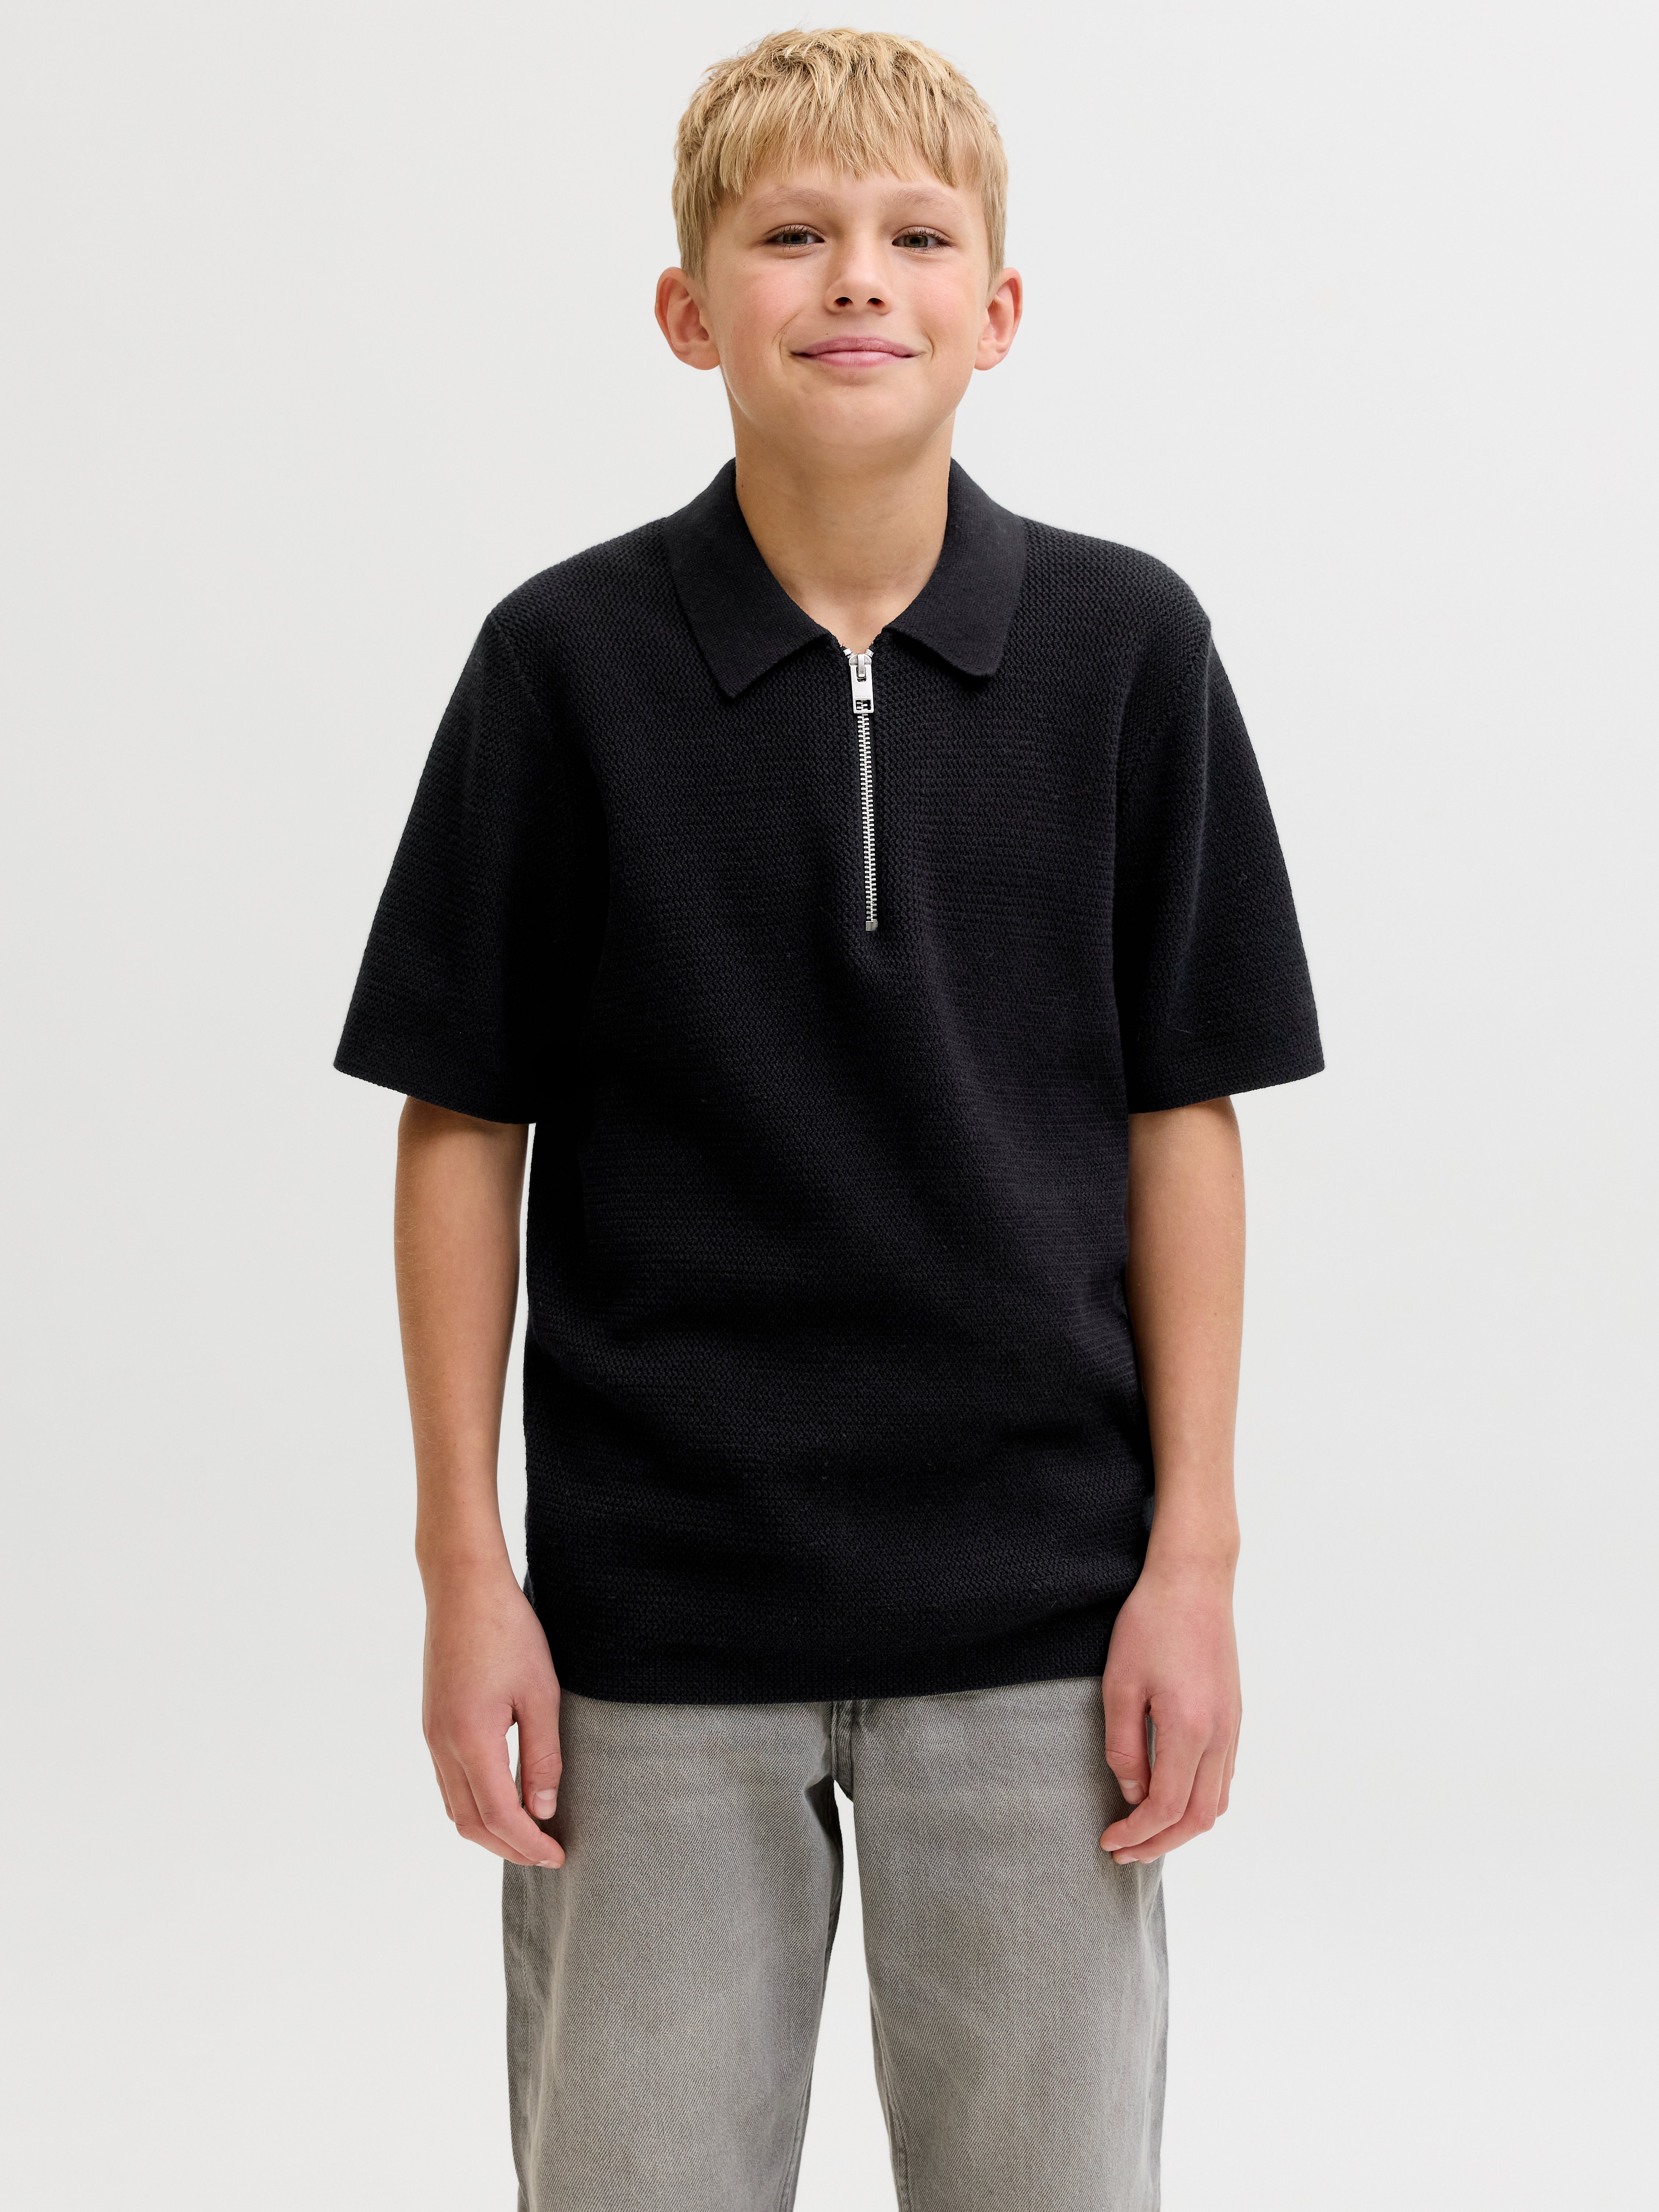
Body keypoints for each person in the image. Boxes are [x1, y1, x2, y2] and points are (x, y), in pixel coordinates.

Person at [335, 28, 1322, 2212]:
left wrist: (1195, 1560)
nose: (858, 277)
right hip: (654, 1635)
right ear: (689, 309)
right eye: (791, 234)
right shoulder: (561, 667)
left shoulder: (1131, 653)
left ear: (1001, 307)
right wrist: (463, 1570)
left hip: (1046, 1624)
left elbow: (1185, 1120)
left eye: (916, 236)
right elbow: (458, 1124)